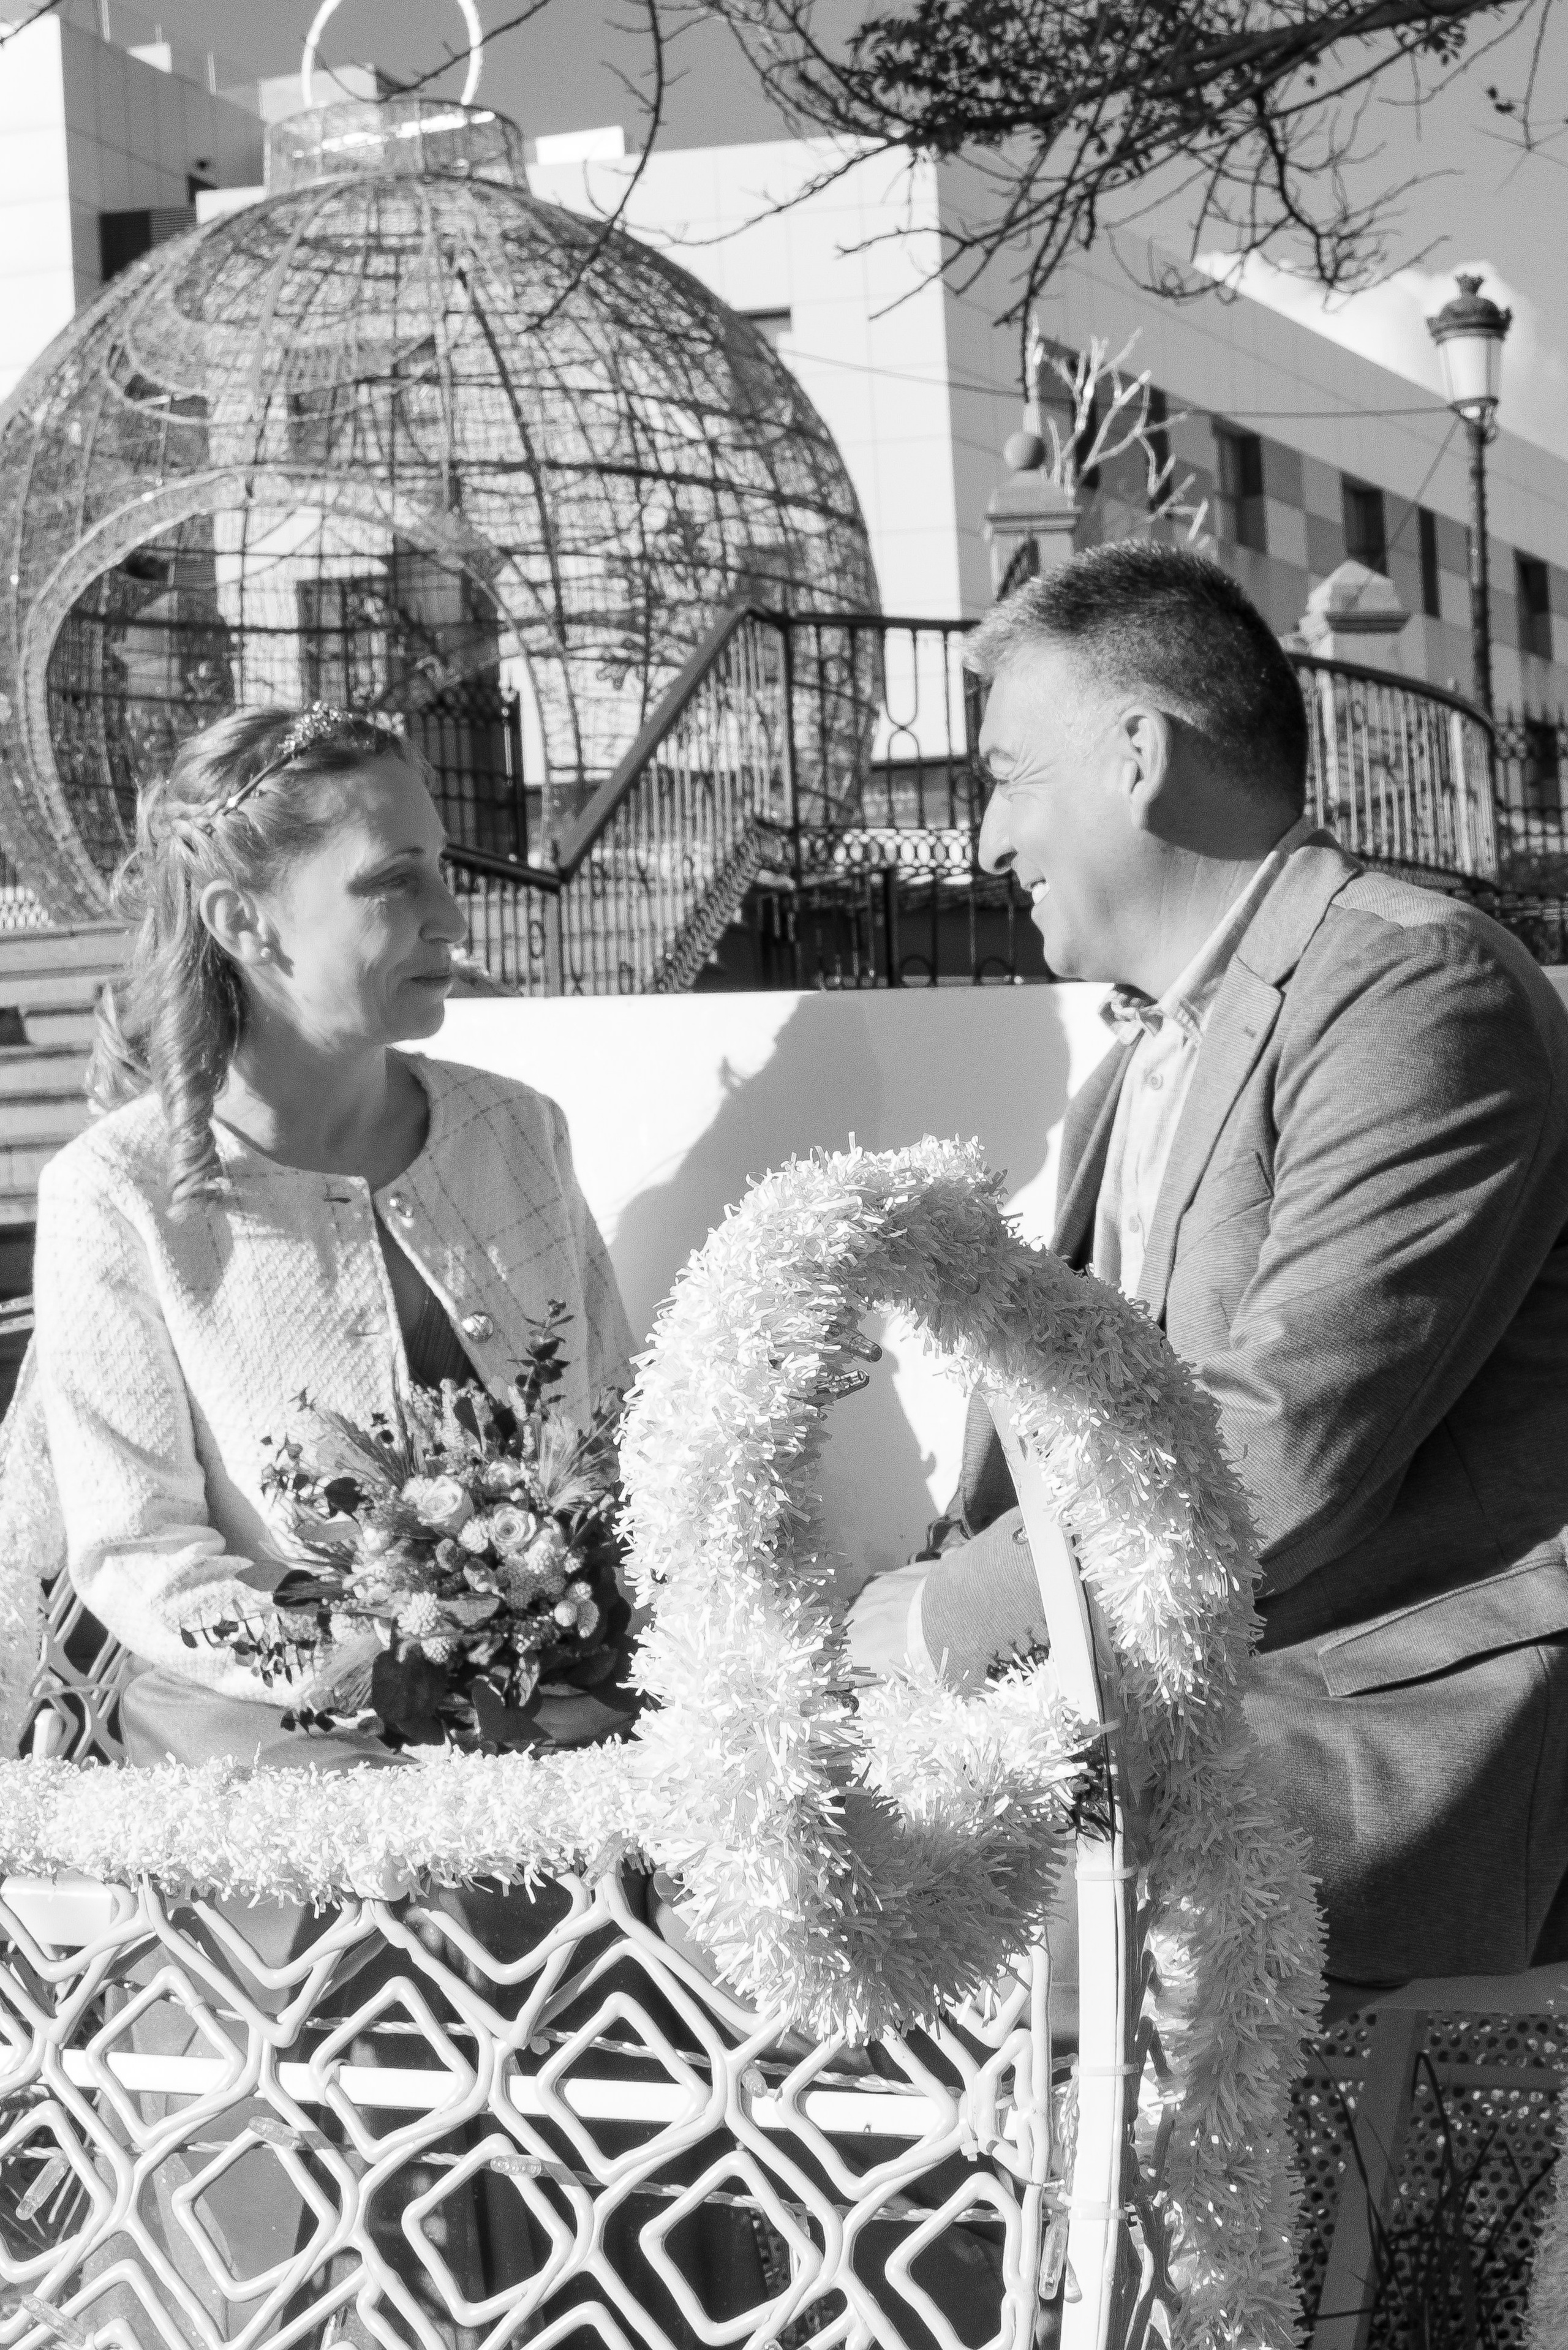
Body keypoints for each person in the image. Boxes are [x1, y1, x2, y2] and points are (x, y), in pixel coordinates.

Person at [26, 705, 761, 2344]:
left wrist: (593, 1647)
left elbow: (631, 1451)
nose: (448, 919)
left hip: (558, 1754)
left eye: (442, 873)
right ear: (243, 920)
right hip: (278, 1795)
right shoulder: (119, 1195)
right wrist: (368, 1674)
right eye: (394, 884)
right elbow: (138, 1550)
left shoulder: (515, 1130)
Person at [851, 541, 1568, 2002]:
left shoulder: (1415, 987)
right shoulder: (1130, 1065)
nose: (985, 838)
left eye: (1003, 774)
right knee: (743, 1849)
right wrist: (900, 1612)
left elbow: (1279, 1438)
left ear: (1136, 755)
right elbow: (1061, 1437)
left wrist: (947, 1624)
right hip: (1161, 1704)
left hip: (1376, 1720)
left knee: (864, 1910)